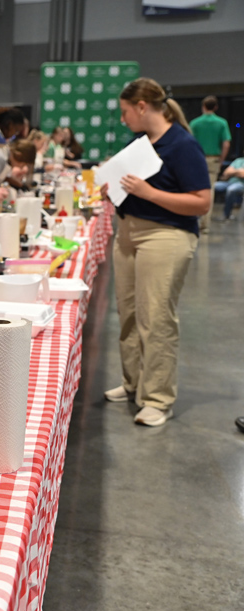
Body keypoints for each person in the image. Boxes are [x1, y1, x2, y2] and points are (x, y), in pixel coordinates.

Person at [101, 78, 210, 427]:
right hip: (129, 231)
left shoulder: (182, 145)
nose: (123, 119)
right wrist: (114, 190)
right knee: (129, 314)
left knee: (156, 317)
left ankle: (158, 398)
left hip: (165, 236)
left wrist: (149, 193)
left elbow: (202, 202)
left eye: (125, 112)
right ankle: (134, 383)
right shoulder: (140, 143)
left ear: (142, 106)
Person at [189, 95, 231, 234]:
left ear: (203, 106)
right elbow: (226, 143)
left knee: (193, 190)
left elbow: (188, 142)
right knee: (210, 190)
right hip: (213, 159)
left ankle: (192, 220)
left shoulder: (195, 123)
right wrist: (221, 160)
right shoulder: (221, 123)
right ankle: (205, 225)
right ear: (216, 107)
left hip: (196, 159)